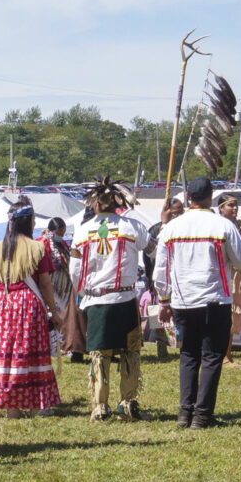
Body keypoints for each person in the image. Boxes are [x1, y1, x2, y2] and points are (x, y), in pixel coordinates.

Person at [152, 177, 241, 429]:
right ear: (210, 196)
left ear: (188, 197)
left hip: (182, 303)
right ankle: (202, 415)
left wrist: (164, 300)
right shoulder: (222, 226)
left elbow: (160, 270)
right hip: (213, 301)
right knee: (210, 357)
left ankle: (185, 413)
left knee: (188, 356)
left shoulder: (171, 228)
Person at [0, 195, 63, 414]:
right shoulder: (37, 248)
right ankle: (36, 406)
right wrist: (54, 313)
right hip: (29, 304)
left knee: (7, 353)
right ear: (28, 221)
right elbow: (44, 284)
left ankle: (11, 408)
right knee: (30, 351)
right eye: (33, 220)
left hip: (4, 304)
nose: (35, 224)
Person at [69, 177, 146, 421]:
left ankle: (100, 406)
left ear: (96, 204)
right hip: (124, 298)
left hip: (97, 299)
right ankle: (127, 403)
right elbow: (149, 244)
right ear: (117, 202)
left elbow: (74, 270)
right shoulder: (132, 227)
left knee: (100, 353)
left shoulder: (82, 231)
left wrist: (81, 291)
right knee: (129, 351)